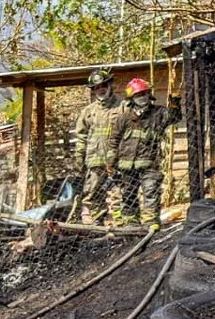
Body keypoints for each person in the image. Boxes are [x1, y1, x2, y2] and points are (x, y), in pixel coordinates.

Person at [107, 78, 181, 231]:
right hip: (126, 165)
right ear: (131, 98)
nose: (141, 97)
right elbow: (113, 140)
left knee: (151, 192)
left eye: (144, 93)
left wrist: (175, 105)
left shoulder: (158, 113)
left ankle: (150, 223)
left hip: (150, 164)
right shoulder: (124, 118)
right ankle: (130, 223)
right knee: (128, 194)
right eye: (137, 95)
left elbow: (174, 117)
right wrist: (110, 162)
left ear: (149, 94)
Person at [72, 69, 126, 225]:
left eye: (103, 85)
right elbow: (81, 137)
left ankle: (120, 222)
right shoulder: (88, 112)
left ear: (109, 85)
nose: (100, 89)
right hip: (95, 159)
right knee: (93, 192)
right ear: (93, 90)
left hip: (118, 159)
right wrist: (79, 158)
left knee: (119, 192)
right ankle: (97, 222)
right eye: (96, 87)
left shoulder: (123, 107)